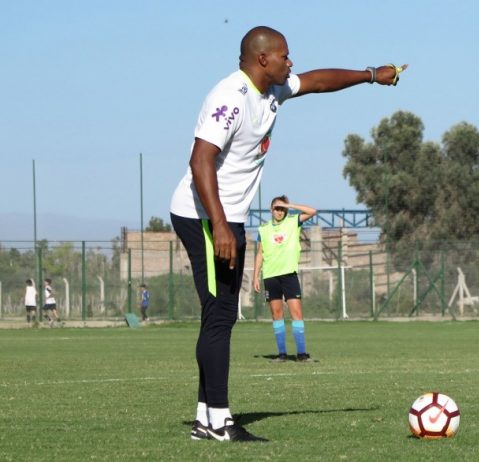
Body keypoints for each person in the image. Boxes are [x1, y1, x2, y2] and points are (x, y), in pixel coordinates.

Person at [169, 25, 406, 442]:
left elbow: (317, 81)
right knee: (220, 315)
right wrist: (221, 225)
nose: (290, 62)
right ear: (262, 59)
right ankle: (218, 422)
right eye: (284, 55)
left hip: (227, 218)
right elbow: (200, 160)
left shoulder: (270, 92)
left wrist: (370, 75)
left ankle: (208, 417)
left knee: (219, 315)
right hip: (203, 217)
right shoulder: (230, 98)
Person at [253, 196, 317, 363]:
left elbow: (312, 211)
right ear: (271, 209)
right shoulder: (263, 229)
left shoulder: (293, 221)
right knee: (277, 314)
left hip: (289, 274)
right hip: (270, 276)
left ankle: (302, 354)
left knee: (296, 313)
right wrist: (255, 276)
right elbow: (260, 254)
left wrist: (290, 205)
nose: (279, 211)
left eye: (282, 208)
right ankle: (281, 354)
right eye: (276, 208)